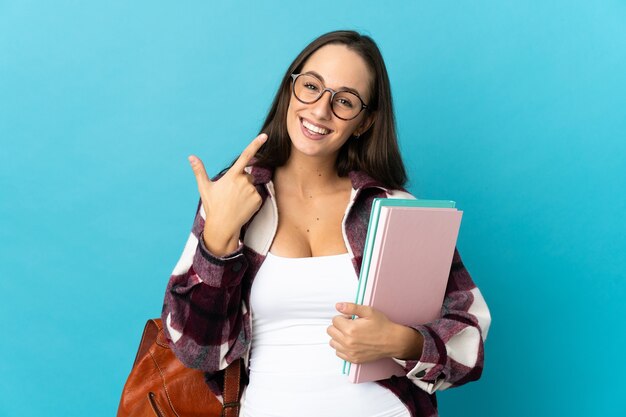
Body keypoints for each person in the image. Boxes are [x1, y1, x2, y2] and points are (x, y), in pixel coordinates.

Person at [161, 30, 491, 417]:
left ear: (365, 122)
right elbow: (197, 351)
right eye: (311, 86)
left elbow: (469, 338)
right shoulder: (233, 197)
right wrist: (217, 241)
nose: (320, 110)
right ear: (291, 87)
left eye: (345, 101)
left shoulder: (396, 211)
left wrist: (401, 342)